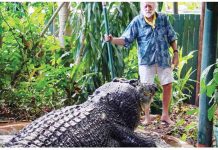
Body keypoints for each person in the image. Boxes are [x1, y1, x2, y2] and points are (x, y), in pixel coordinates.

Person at [104, 2, 179, 125]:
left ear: (155, 7)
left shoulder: (163, 18)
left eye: (150, 5)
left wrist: (176, 52)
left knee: (168, 84)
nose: (148, 8)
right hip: (146, 61)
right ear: (142, 8)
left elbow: (172, 36)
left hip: (163, 58)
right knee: (145, 89)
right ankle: (147, 117)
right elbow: (125, 39)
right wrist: (112, 40)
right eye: (145, 6)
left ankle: (165, 115)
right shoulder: (137, 21)